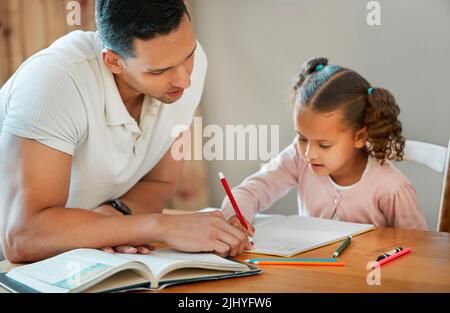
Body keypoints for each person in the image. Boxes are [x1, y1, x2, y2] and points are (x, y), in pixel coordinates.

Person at [0, 0, 250, 263]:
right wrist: (159, 227)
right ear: (113, 62)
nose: (184, 80)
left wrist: (114, 219)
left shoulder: (187, 70)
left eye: (188, 55)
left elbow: (159, 182)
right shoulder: (55, 80)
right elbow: (22, 237)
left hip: (73, 261)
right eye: (160, 70)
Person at [223, 57, 428, 231]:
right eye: (303, 138)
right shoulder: (297, 157)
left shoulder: (391, 188)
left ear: (359, 137)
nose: (309, 154)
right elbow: (251, 191)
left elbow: (417, 248)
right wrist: (236, 216)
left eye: (324, 144)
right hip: (314, 274)